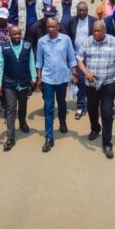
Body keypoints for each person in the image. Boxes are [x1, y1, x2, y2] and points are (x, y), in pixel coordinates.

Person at [77, 20, 115, 159]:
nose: (95, 33)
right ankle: (95, 128)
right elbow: (79, 59)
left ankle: (107, 143)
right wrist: (86, 73)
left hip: (108, 84)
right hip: (91, 85)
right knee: (92, 110)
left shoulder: (114, 42)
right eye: (94, 31)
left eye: (98, 31)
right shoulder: (87, 42)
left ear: (105, 31)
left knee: (107, 113)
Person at [36, 18, 78, 152]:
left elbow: (72, 59)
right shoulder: (41, 41)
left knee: (61, 102)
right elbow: (39, 61)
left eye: (53, 26)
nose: (51, 29)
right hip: (48, 79)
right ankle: (49, 138)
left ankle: (62, 121)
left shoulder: (66, 40)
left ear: (58, 27)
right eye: (48, 27)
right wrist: (39, 78)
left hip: (62, 78)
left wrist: (74, 74)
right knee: (49, 108)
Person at [0, 25, 37, 151]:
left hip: (24, 82)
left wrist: (34, 77)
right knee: (10, 108)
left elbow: (31, 62)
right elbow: (0, 66)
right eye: (14, 34)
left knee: (23, 105)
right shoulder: (3, 47)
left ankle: (22, 122)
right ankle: (10, 137)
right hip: (9, 83)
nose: (17, 36)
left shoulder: (27, 46)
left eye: (19, 34)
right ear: (9, 35)